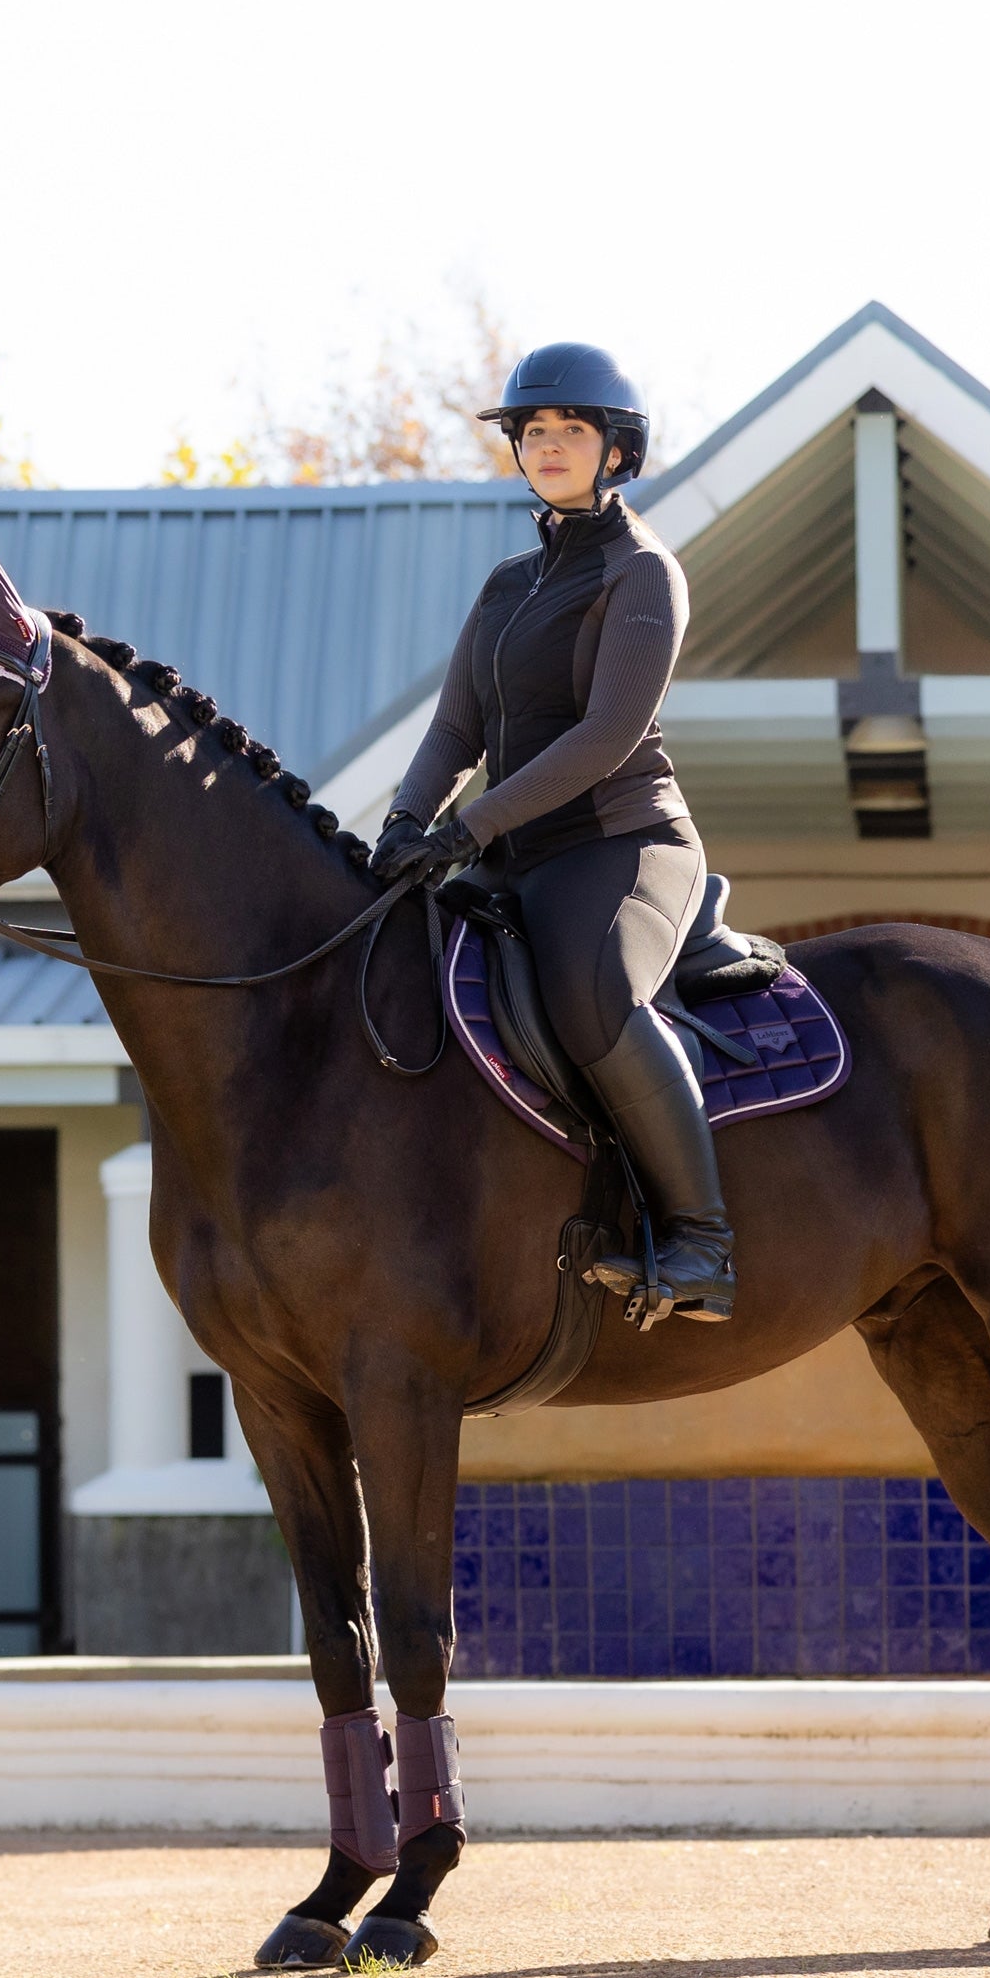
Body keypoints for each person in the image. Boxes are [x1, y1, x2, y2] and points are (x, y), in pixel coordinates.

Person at [370, 341, 734, 1325]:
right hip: (509, 854)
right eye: (533, 431)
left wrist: (466, 826)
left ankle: (701, 1242)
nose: (549, 444)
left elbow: (607, 737)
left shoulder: (642, 573)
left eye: (571, 429)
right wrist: (406, 823)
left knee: (594, 992)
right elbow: (455, 726)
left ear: (616, 450)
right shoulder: (503, 587)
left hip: (622, 845)